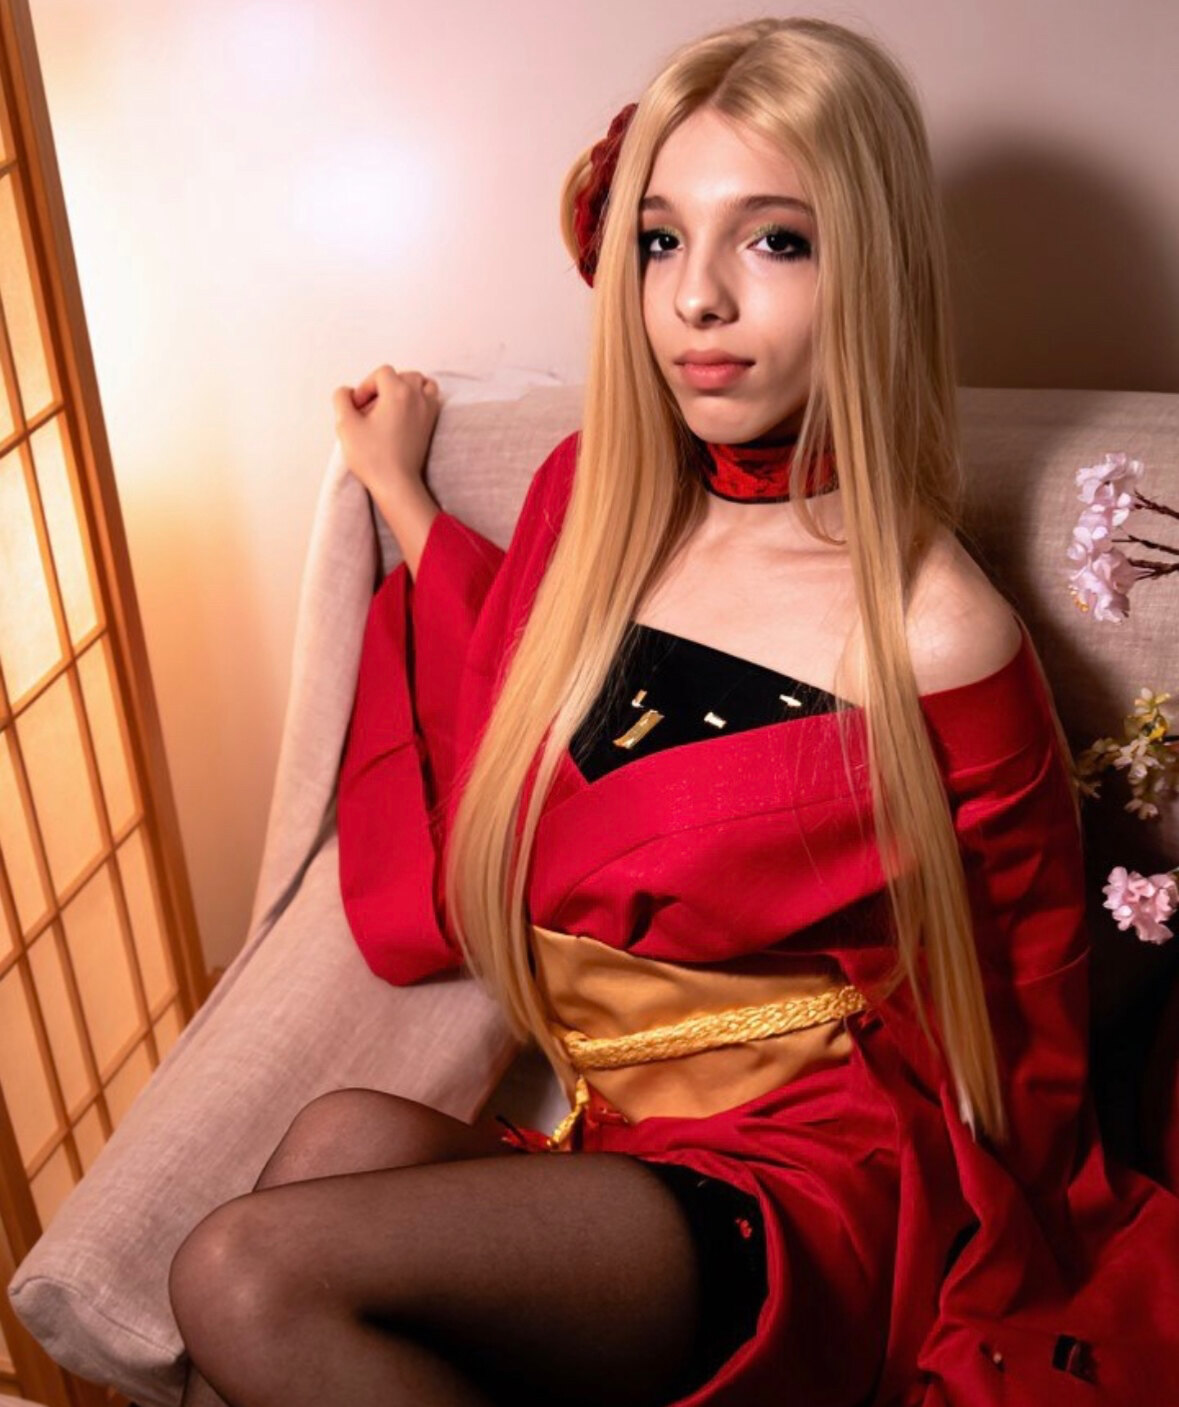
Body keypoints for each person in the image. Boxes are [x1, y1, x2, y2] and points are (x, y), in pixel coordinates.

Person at [166, 16, 1179, 1407]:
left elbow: (1028, 1013)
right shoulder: (586, 506)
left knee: (241, 1273)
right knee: (334, 1136)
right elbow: (500, 691)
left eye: (775, 240)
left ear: (872, 267)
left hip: (818, 1186)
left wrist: (994, 1294)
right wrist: (401, 496)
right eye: (659, 239)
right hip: (627, 1143)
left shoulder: (936, 633)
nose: (697, 297)